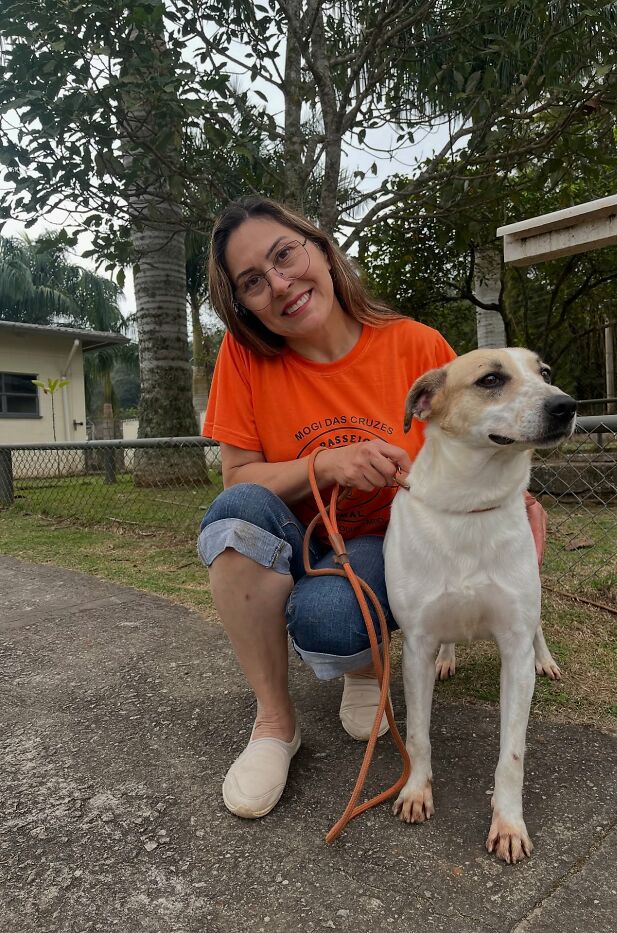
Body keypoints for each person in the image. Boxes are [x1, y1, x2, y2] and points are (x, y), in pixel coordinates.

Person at [198, 197, 547, 820]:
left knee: (333, 621)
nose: (280, 284)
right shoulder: (245, 357)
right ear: (242, 303)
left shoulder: (416, 345)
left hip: (383, 541)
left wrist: (514, 511)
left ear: (320, 249)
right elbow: (236, 479)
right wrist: (327, 464)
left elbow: (478, 442)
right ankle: (276, 724)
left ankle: (363, 667)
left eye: (286, 255)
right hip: (293, 532)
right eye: (253, 281)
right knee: (236, 515)